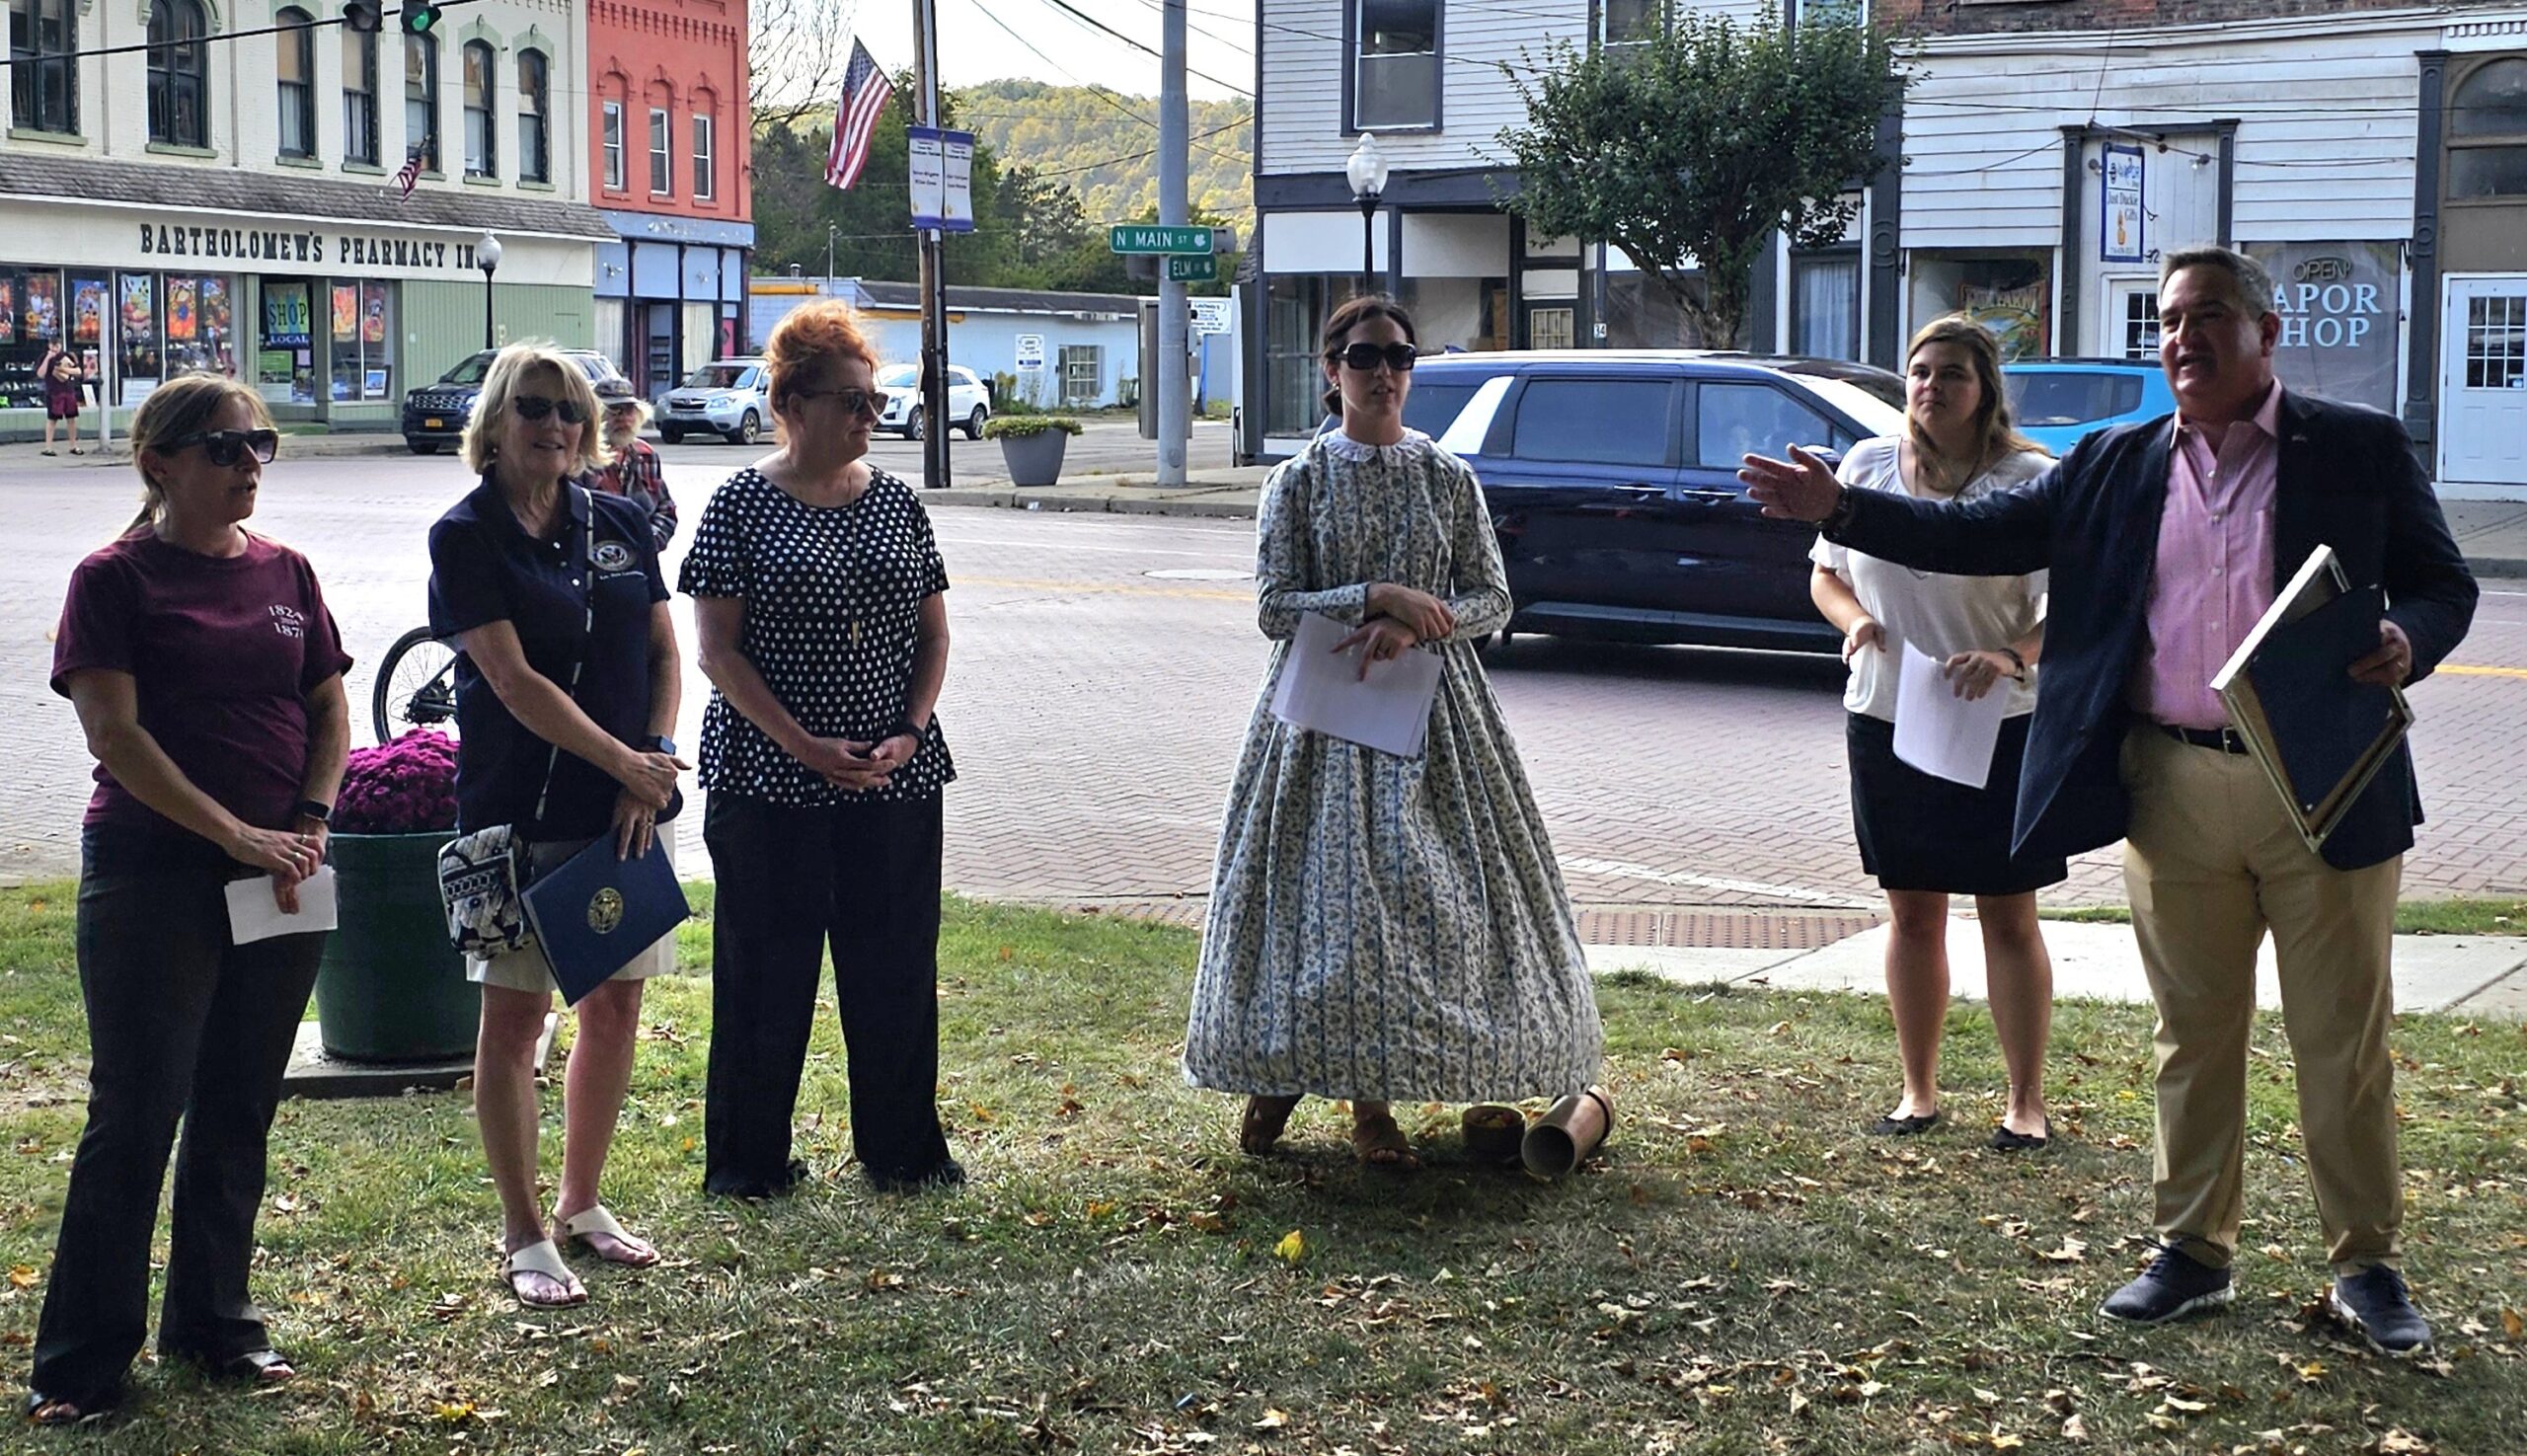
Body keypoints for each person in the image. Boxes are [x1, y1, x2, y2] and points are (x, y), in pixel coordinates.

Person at [1741, 245, 2477, 1353]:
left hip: (2323, 781)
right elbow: (1974, 533)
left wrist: (2405, 637)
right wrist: (1843, 509)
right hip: (2171, 780)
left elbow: (2444, 581)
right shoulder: (2117, 461)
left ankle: (2365, 1265)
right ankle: (2192, 1249)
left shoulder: (2355, 447)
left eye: (2210, 315)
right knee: (2192, 1032)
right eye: (2171, 319)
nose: (2184, 336)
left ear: (2264, 335)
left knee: (2341, 1037)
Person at [1182, 295, 1603, 1169]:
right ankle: (1338, 1096)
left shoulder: (1446, 476)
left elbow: (1495, 597)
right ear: (1332, 371)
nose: (1386, 374)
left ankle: (1389, 1075)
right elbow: (1271, 607)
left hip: (1435, 717)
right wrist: (1373, 595)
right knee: (1332, 913)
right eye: (1367, 357)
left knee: (1443, 908)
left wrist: (1422, 622)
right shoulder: (1297, 480)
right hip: (1321, 722)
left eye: (1401, 358)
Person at [35, 375, 350, 1423]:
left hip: (282, 871)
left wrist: (307, 817)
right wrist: (232, 832)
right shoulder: (113, 578)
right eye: (223, 445)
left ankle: (216, 1323)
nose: (248, 460)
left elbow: (327, 702)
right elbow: (115, 736)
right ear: (159, 461)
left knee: (238, 1103)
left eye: (259, 441)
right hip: (152, 872)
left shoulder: (286, 571)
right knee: (136, 1112)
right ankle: (80, 1363)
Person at [427, 344, 689, 1310]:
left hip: (620, 813)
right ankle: (524, 1229)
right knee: (515, 1020)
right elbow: (509, 679)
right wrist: (621, 761)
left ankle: (581, 1201)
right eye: (534, 408)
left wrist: (649, 761)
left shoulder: (619, 520)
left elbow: (663, 650)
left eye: (571, 412)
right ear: (494, 422)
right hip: (517, 815)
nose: (555, 426)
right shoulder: (465, 537)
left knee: (614, 1005)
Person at [681, 299, 961, 1198]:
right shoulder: (739, 505)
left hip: (894, 773)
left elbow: (935, 634)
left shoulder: (895, 503)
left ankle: (904, 1151)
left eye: (874, 402)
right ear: (793, 404)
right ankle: (748, 1162)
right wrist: (804, 744)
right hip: (768, 778)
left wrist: (910, 729)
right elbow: (715, 651)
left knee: (895, 966)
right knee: (766, 971)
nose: (868, 419)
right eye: (852, 401)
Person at [1809, 315, 2062, 1150]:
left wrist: (2009, 654)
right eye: (1919, 371)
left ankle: (2025, 1100)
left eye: (1951, 373)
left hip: (1998, 723)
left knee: (2006, 911)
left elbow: (2067, 609)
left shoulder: (2028, 480)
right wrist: (1852, 622)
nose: (1930, 386)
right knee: (1912, 909)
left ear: (1985, 388)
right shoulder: (1867, 466)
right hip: (1887, 714)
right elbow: (1826, 572)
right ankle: (1918, 1091)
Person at [587, 378, 678, 551]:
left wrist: (647, 542)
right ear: (595, 414)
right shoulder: (580, 458)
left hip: (641, 564)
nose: (624, 419)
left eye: (630, 411)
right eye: (614, 411)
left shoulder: (645, 455)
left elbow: (666, 508)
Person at [38, 340, 83, 456]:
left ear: (61, 346)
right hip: (53, 392)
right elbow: (40, 374)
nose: (55, 348)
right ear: (49, 345)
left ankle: (73, 446)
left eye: (57, 345)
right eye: (53, 345)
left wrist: (63, 369)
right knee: (52, 419)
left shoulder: (67, 356)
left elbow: (78, 371)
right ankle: (48, 447)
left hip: (68, 391)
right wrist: (48, 359)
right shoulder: (44, 357)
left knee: (71, 419)